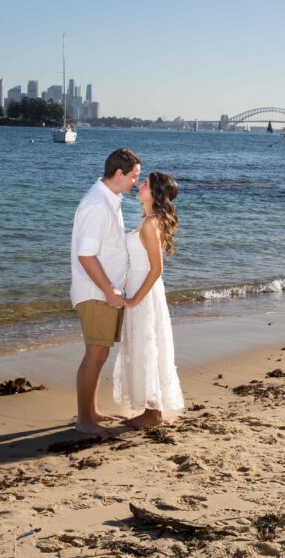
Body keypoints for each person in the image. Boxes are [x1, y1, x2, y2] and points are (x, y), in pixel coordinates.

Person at [71, 147, 142, 435]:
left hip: (105, 291)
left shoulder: (111, 199)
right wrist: (109, 290)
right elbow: (86, 256)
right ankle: (83, 420)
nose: (137, 181)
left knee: (99, 353)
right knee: (95, 352)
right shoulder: (97, 205)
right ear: (118, 173)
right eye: (134, 176)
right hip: (96, 292)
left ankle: (93, 411)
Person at [112, 171, 185, 429]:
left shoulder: (149, 223)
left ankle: (153, 414)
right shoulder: (150, 220)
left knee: (146, 344)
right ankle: (151, 409)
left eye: (145, 184)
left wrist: (133, 301)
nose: (140, 185)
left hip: (145, 292)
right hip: (141, 288)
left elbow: (157, 269)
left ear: (155, 193)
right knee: (146, 344)